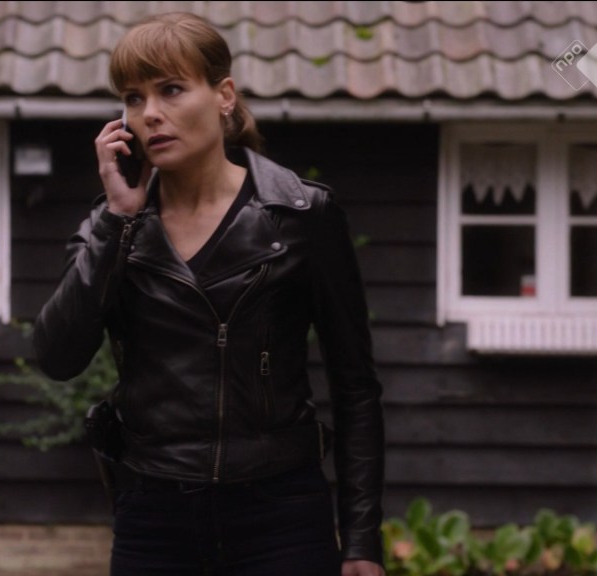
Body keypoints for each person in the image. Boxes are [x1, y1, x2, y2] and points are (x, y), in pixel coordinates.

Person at [33, 12, 386, 576]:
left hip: (281, 516)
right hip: (154, 515)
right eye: (133, 98)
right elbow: (57, 358)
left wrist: (362, 539)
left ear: (224, 96)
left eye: (171, 89)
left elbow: (356, 385)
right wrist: (118, 219)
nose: (150, 113)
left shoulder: (301, 216)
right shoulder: (112, 226)